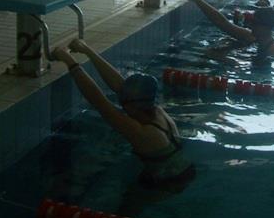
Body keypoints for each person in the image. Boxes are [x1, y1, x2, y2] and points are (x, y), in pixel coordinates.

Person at [51, 39, 195, 189]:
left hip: (167, 182)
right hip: (178, 169)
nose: (122, 102)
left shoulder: (144, 133)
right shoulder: (155, 109)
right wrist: (86, 50)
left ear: (132, 105)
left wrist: (69, 61)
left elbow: (99, 102)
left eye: (124, 101)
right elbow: (122, 86)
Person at [180, 0, 274, 59]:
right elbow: (222, 22)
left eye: (255, 23)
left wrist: (225, 60)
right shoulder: (252, 37)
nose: (250, 25)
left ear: (266, 27)